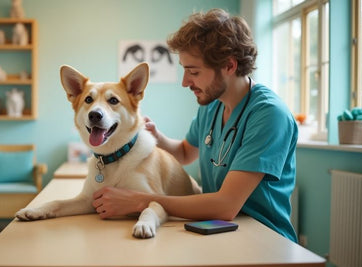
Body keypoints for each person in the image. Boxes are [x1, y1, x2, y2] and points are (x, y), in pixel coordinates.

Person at [92, 8, 298, 242]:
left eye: (194, 72)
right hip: (216, 230)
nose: (184, 82)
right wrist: (155, 136)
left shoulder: (269, 115)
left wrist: (139, 200)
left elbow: (226, 206)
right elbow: (184, 153)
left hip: (263, 238)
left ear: (229, 66)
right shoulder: (212, 106)